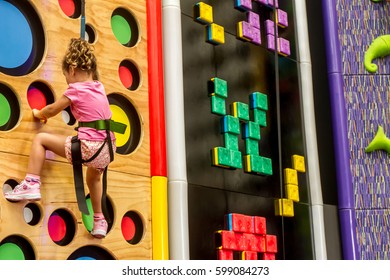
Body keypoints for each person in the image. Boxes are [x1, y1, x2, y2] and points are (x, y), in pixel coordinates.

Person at [5, 38, 116, 239]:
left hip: (88, 147)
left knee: (40, 139)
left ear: (72, 70)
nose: (68, 82)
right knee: (94, 177)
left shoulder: (75, 90)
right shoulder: (98, 86)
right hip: (107, 149)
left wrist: (40, 114)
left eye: (66, 77)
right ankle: (99, 221)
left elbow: (53, 109)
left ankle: (31, 183)